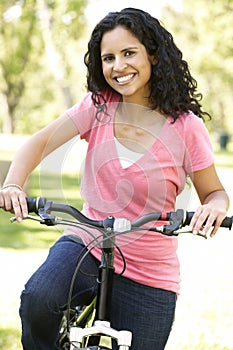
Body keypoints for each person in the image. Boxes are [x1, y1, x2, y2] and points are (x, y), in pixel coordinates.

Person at [0, 7, 229, 350]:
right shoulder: (98, 106)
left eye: (128, 53)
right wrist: (13, 184)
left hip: (150, 268)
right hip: (87, 240)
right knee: (39, 299)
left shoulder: (186, 127)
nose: (118, 66)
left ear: (153, 54)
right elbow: (38, 143)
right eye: (108, 58)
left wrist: (214, 208)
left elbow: (215, 194)